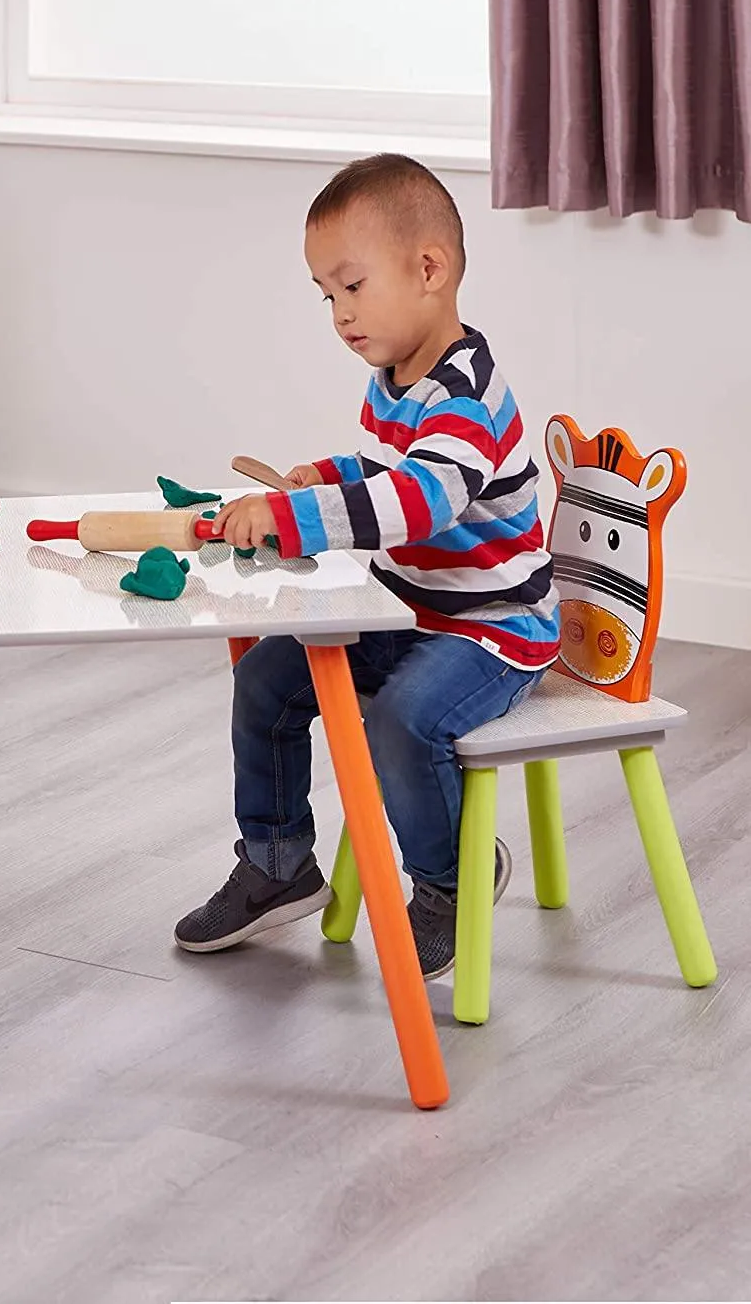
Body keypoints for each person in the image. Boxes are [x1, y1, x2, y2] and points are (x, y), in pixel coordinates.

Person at [175, 154, 559, 977]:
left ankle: (451, 882)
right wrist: (328, 476)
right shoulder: (393, 378)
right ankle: (279, 863)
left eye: (352, 287)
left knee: (403, 719)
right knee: (268, 682)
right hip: (411, 610)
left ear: (429, 269)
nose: (339, 315)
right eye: (327, 296)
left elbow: (422, 500)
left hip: (493, 630)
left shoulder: (466, 396)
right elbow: (383, 470)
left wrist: (289, 519)